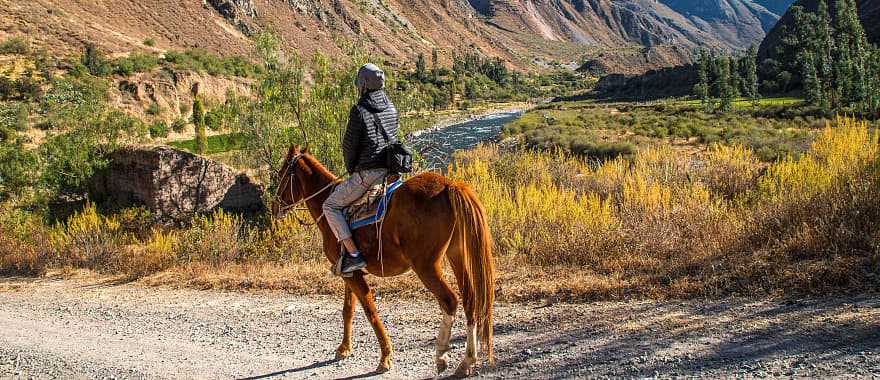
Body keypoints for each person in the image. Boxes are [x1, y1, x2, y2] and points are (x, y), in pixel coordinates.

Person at [323, 63, 399, 274]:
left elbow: (349, 146)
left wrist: (351, 169)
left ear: (363, 85)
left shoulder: (359, 111)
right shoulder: (391, 107)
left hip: (368, 175)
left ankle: (354, 255)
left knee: (330, 206)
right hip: (391, 174)